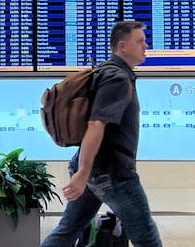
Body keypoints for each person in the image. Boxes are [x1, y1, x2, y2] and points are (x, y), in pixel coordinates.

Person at [41, 21, 162, 247]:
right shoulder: (117, 78)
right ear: (122, 46)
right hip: (113, 173)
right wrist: (83, 172)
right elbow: (96, 124)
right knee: (146, 236)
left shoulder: (105, 71)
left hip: (95, 171)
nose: (146, 46)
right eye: (140, 41)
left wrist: (84, 171)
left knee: (68, 230)